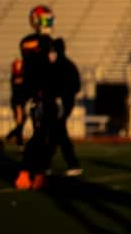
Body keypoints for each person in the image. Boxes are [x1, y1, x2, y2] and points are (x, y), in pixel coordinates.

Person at [15, 5, 60, 190]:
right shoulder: (46, 42)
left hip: (33, 93)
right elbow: (47, 67)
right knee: (42, 136)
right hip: (41, 94)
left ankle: (33, 172)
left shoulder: (28, 41)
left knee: (41, 135)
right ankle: (33, 173)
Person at [47, 38, 82, 175]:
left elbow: (75, 86)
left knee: (58, 131)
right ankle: (47, 163)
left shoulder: (61, 66)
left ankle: (73, 163)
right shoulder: (65, 65)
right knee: (55, 132)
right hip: (62, 102)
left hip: (63, 103)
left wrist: (61, 95)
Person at [0, 58, 28, 150]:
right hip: (17, 102)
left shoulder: (23, 75)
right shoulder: (15, 76)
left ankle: (6, 139)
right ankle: (19, 144)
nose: (20, 65)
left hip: (22, 102)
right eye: (18, 64)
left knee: (21, 123)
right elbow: (18, 90)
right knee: (19, 124)